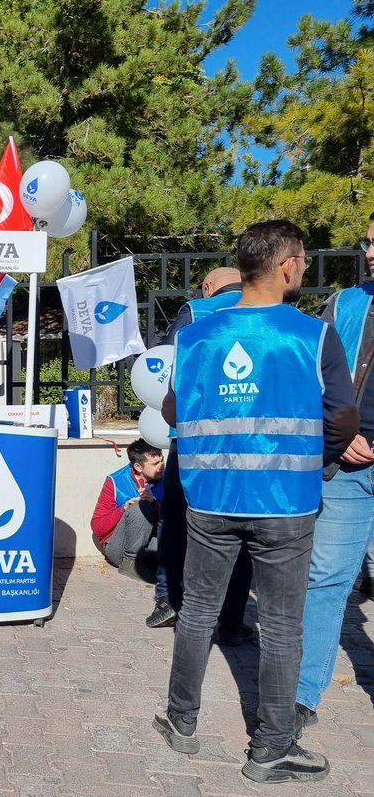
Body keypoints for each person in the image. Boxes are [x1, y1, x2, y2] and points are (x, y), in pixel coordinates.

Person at [154, 220, 358, 783]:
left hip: (210, 497)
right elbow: (343, 417)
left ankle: (181, 721)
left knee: (196, 611)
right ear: (289, 265)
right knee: (283, 624)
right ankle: (270, 749)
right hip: (286, 503)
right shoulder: (313, 335)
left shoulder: (195, 335)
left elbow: (173, 411)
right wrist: (317, 461)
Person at [295, 214, 374, 735]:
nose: (370, 251)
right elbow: (315, 373)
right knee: (326, 579)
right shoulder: (346, 303)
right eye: (368, 240)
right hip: (348, 464)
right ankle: (300, 698)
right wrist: (338, 435)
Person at [149, 265, 255, 640]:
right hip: (249, 442)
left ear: (209, 286)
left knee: (176, 518)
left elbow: (176, 373)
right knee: (242, 524)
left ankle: (170, 602)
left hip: (195, 438)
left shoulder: (195, 312)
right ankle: (230, 621)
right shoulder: (265, 307)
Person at [90, 439, 164, 578]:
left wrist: (155, 504)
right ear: (138, 466)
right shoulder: (115, 481)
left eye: (162, 460)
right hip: (120, 549)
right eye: (155, 464)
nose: (161, 466)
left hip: (151, 542)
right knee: (139, 508)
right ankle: (131, 564)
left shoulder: (168, 479)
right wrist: (124, 509)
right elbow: (97, 527)